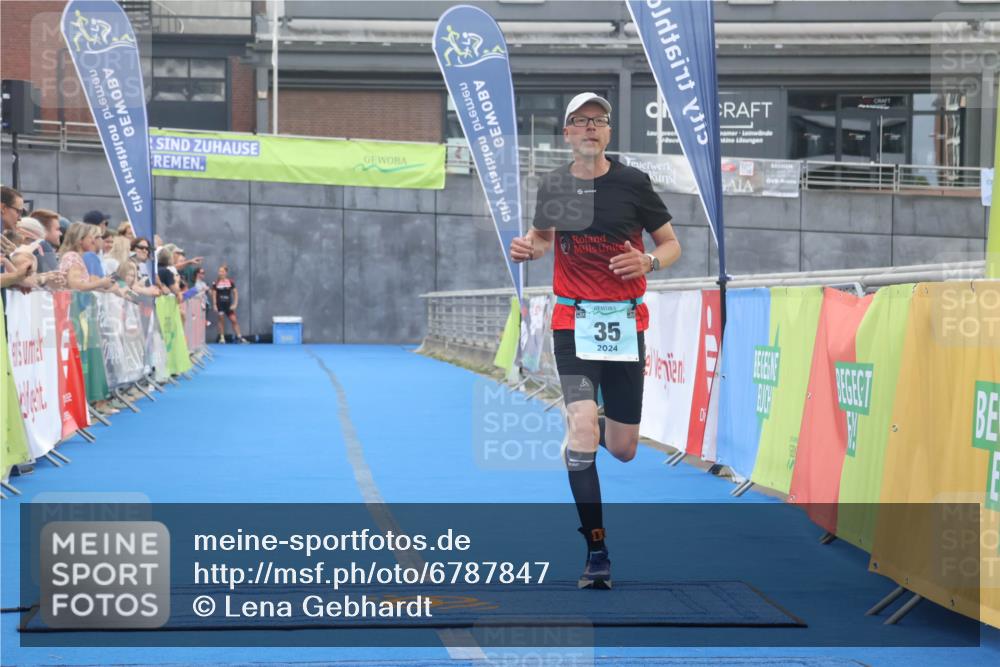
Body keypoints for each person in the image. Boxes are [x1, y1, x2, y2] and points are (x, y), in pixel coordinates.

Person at [509, 93, 681, 590]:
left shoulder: (632, 183)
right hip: (574, 324)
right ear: (566, 133)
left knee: (623, 447)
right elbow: (543, 239)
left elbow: (671, 245)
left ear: (608, 133)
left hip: (626, 325)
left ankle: (590, 424)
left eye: (599, 122)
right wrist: (529, 247)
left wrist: (648, 261)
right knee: (583, 431)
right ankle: (596, 550)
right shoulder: (555, 185)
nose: (590, 129)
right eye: (581, 122)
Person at [211, 265, 248, 343]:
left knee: (234, 320)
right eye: (219, 271)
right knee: (221, 320)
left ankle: (239, 337)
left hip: (228, 305)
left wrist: (235, 304)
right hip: (220, 305)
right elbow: (214, 294)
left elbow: (235, 293)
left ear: (226, 273)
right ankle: (222, 338)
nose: (220, 273)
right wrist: (214, 305)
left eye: (222, 271)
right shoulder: (216, 282)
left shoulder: (230, 282)